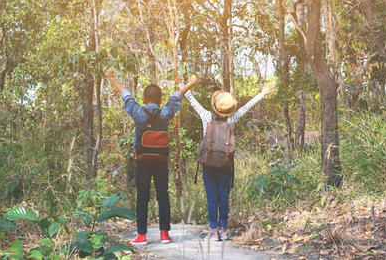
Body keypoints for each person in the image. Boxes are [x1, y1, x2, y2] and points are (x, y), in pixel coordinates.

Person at [105, 68, 198, 246]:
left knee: (142, 197)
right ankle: (164, 234)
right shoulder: (166, 112)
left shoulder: (138, 112)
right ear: (161, 99)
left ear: (144, 99)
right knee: (163, 196)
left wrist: (112, 77)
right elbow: (178, 95)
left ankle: (141, 235)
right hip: (161, 162)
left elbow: (125, 95)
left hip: (143, 162)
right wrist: (191, 83)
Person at [180, 78, 276, 241]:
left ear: (214, 105)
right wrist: (262, 94)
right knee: (223, 196)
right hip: (225, 163)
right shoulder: (231, 120)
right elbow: (247, 107)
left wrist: (181, 85)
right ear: (229, 109)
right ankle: (223, 230)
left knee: (211, 196)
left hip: (208, 163)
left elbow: (190, 99)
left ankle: (212, 231)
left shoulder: (205, 116)